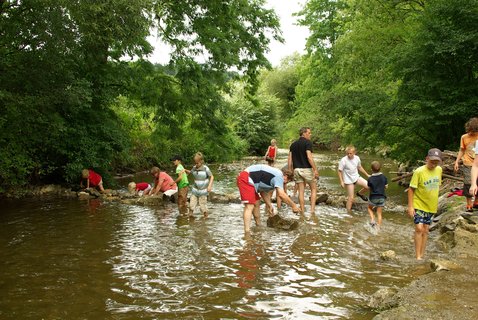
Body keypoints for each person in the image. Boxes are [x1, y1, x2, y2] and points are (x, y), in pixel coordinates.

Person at [237, 164, 301, 234]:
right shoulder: (279, 176)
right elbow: (281, 194)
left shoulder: (274, 178)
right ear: (285, 176)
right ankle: (247, 232)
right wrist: (293, 206)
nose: (285, 183)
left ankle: (258, 226)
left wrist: (269, 204)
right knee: (249, 206)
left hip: (251, 182)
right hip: (246, 178)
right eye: (287, 180)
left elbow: (263, 192)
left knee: (256, 203)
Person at [407, 148, 442, 260]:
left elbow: (437, 186)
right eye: (432, 162)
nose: (434, 165)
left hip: (431, 205)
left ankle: (422, 254)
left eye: (436, 162)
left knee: (426, 230)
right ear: (427, 159)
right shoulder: (419, 172)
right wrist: (411, 206)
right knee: (419, 229)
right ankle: (417, 257)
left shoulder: (439, 170)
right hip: (419, 204)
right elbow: (411, 189)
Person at [288, 127, 320, 214]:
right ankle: (312, 211)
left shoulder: (293, 144)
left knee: (301, 191)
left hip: (296, 169)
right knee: (313, 189)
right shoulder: (308, 143)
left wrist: (290, 170)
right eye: (309, 133)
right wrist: (315, 169)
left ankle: (302, 210)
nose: (310, 134)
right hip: (306, 169)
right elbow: (309, 157)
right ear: (304, 133)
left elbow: (290, 159)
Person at [454, 117, 478, 212]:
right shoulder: (464, 137)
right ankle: (469, 204)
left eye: (473, 131)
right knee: (468, 183)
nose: (471, 133)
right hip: (468, 163)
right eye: (469, 131)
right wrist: (457, 161)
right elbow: (461, 150)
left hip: (477, 162)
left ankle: (476, 201)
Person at [338, 146, 370, 214]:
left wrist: (367, 175)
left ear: (354, 153)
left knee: (369, 186)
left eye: (350, 153)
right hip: (348, 180)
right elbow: (340, 171)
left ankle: (360, 193)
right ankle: (348, 213)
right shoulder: (343, 160)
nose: (349, 155)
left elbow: (359, 167)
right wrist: (341, 181)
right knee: (351, 198)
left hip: (356, 177)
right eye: (347, 153)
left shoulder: (357, 158)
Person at [184, 152, 214, 218]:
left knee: (202, 205)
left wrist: (209, 186)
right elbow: (191, 172)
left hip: (203, 190)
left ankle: (205, 216)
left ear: (201, 161)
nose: (196, 164)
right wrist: (185, 170)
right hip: (195, 190)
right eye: (195, 163)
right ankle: (190, 216)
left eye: (197, 163)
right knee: (191, 204)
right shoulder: (194, 168)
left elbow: (211, 177)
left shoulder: (206, 168)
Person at [367, 161, 388, 228]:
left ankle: (372, 219)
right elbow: (386, 186)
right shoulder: (384, 177)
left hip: (373, 197)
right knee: (379, 213)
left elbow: (368, 187)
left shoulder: (370, 178)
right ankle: (378, 227)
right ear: (380, 168)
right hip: (382, 197)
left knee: (369, 208)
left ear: (371, 169)